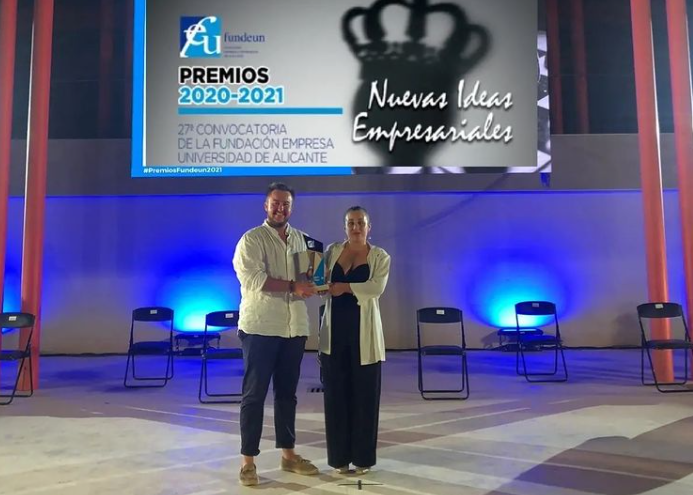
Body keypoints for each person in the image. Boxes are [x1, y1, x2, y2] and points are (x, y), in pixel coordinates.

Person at [232, 182, 319, 486]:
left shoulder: (304, 240)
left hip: (294, 328)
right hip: (261, 328)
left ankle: (288, 455)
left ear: (291, 208)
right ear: (266, 205)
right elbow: (253, 279)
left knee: (286, 395)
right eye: (275, 203)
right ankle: (248, 462)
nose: (280, 208)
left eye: (286, 204)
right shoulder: (251, 239)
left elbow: (310, 277)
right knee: (254, 395)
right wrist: (294, 286)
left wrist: (316, 282)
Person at [319, 206, 391, 474]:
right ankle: (339, 458)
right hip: (334, 335)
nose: (356, 227)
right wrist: (319, 286)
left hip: (365, 337)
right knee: (335, 397)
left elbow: (376, 288)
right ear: (345, 227)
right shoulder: (332, 251)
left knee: (365, 397)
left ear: (369, 227)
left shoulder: (380, 256)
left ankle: (362, 459)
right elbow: (321, 280)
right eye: (351, 223)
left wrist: (345, 287)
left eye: (361, 223)